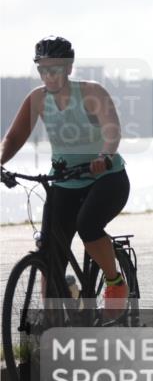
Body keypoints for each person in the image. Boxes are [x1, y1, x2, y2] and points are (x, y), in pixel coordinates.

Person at [0, 37, 131, 316]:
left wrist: (104, 156)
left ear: (69, 68)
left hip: (106, 178)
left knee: (88, 225)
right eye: (43, 69)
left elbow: (112, 129)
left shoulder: (91, 93)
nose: (49, 75)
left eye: (55, 69)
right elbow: (13, 138)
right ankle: (53, 316)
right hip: (64, 180)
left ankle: (115, 281)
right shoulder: (37, 99)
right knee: (50, 250)